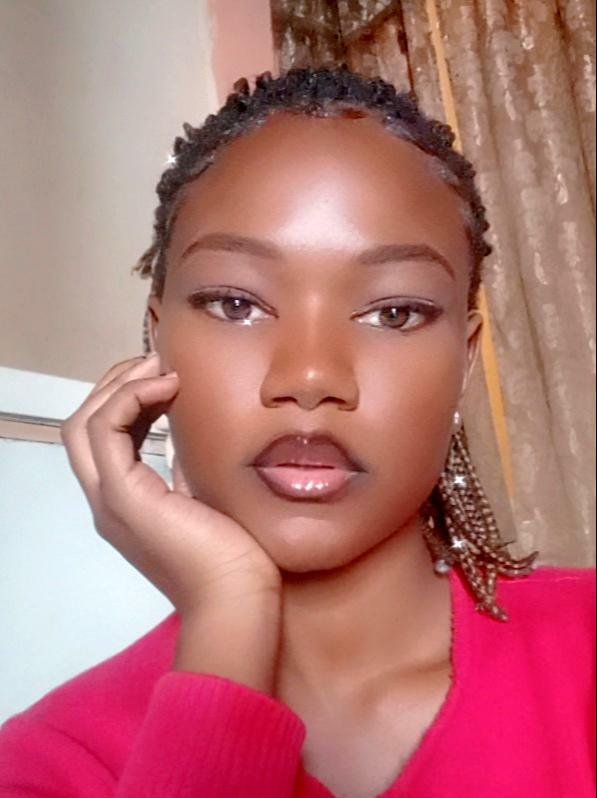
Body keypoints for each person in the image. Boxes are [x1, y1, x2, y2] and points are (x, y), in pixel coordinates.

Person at [0, 66, 594, 798]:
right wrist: (227, 613)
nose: (310, 376)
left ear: (463, 359)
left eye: (394, 313)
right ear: (158, 340)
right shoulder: (48, 764)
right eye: (235, 304)